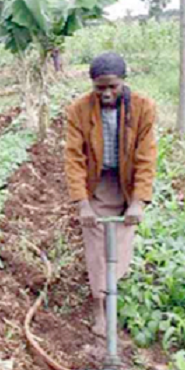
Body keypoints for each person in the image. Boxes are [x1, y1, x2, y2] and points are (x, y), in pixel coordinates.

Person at [64, 52, 157, 337]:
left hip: (125, 180)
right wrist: (82, 204)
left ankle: (111, 289)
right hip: (98, 181)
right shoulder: (78, 110)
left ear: (123, 82)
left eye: (112, 86)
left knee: (121, 242)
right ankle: (99, 307)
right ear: (92, 85)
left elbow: (146, 157)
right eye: (99, 87)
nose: (106, 93)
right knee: (96, 245)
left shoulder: (143, 108)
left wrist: (138, 202)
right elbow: (74, 159)